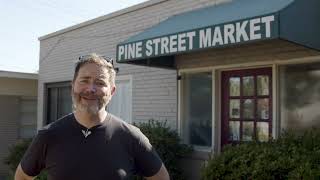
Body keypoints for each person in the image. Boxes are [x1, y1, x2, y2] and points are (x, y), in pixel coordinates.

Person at [15, 54, 170, 180]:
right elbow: (22, 177)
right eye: (84, 80)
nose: (91, 89)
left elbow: (161, 178)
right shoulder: (49, 135)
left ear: (112, 91)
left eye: (100, 83)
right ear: (72, 87)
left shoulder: (131, 136)